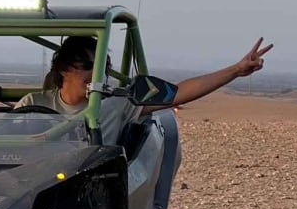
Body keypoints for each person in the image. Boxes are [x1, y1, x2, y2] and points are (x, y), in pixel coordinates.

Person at [17, 35, 272, 143]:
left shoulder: (117, 104)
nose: (98, 74)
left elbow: (179, 93)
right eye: (88, 66)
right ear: (63, 69)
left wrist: (235, 70)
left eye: (103, 66)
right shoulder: (32, 104)